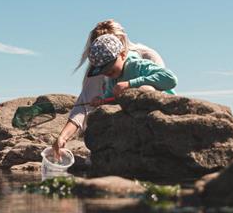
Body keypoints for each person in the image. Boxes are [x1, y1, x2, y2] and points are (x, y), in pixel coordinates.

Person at [54, 20, 172, 154]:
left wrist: (130, 84)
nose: (105, 68)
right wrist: (63, 136)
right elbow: (85, 104)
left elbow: (166, 83)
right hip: (125, 123)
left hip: (151, 118)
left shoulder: (143, 59)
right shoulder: (102, 69)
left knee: (146, 90)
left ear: (122, 48)